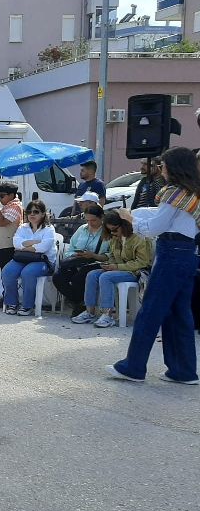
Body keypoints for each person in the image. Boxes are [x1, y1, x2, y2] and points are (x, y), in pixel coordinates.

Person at [108, 147, 200, 384]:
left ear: (174, 168)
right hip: (188, 253)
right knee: (180, 313)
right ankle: (184, 370)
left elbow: (155, 227)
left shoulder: (174, 193)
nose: (161, 169)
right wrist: (137, 214)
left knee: (150, 311)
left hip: (171, 253)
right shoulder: (192, 193)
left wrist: (131, 219)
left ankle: (134, 367)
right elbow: (163, 216)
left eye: (164, 165)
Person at [72, 209, 153, 328]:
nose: (113, 233)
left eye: (115, 229)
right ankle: (90, 311)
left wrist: (116, 267)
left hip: (137, 271)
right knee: (92, 274)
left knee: (106, 277)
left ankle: (108, 314)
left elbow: (142, 262)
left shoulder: (140, 238)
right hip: (119, 269)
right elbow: (114, 256)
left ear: (124, 225)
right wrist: (108, 265)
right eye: (110, 230)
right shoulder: (115, 238)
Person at [0, 201, 58, 316]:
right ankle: (12, 303)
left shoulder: (49, 229)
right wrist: (34, 243)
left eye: (36, 212)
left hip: (43, 261)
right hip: (23, 259)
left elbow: (43, 248)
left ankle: (27, 306)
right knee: (7, 271)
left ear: (43, 214)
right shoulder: (23, 227)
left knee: (28, 272)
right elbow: (16, 243)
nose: (32, 214)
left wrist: (24, 246)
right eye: (29, 212)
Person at [52, 203, 109, 316]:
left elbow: (110, 255)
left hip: (97, 262)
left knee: (80, 277)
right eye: (87, 220)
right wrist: (76, 255)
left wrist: (93, 255)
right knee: (58, 277)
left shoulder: (107, 232)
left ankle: (81, 305)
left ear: (101, 218)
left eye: (93, 220)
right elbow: (71, 248)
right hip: (78, 261)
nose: (90, 223)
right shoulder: (82, 229)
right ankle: (79, 302)